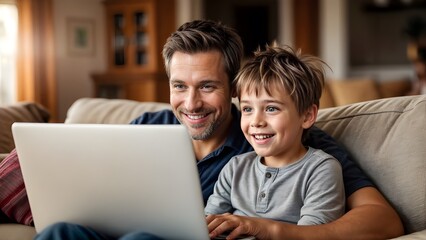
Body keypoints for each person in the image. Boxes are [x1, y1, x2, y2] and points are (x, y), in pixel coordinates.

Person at [0, 19, 401, 239]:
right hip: (110, 234)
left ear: (232, 88)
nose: (190, 104)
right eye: (179, 86)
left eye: (207, 86)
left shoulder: (279, 141)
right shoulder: (146, 127)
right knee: (62, 232)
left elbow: (382, 220)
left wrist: (271, 229)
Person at [204, 44, 345, 239]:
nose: (256, 121)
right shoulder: (235, 167)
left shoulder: (320, 169)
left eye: (271, 108)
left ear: (307, 116)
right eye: (247, 109)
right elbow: (208, 223)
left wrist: (259, 227)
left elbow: (310, 235)